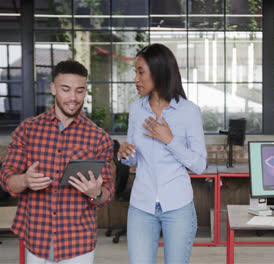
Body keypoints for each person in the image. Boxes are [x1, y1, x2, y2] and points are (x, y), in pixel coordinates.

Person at [0, 60, 114, 263]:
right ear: (53, 89)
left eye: (79, 91)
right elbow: (6, 178)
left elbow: (107, 192)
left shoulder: (99, 138)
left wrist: (96, 193)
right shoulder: (28, 130)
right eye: (66, 89)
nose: (73, 97)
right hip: (36, 238)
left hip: (78, 243)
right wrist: (25, 181)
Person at [118, 43, 207, 264]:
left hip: (178, 207)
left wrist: (169, 140)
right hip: (141, 207)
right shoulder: (136, 110)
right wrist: (124, 154)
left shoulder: (189, 112)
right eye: (135, 72)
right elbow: (132, 159)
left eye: (141, 72)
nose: (136, 79)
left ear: (158, 72)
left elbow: (199, 164)